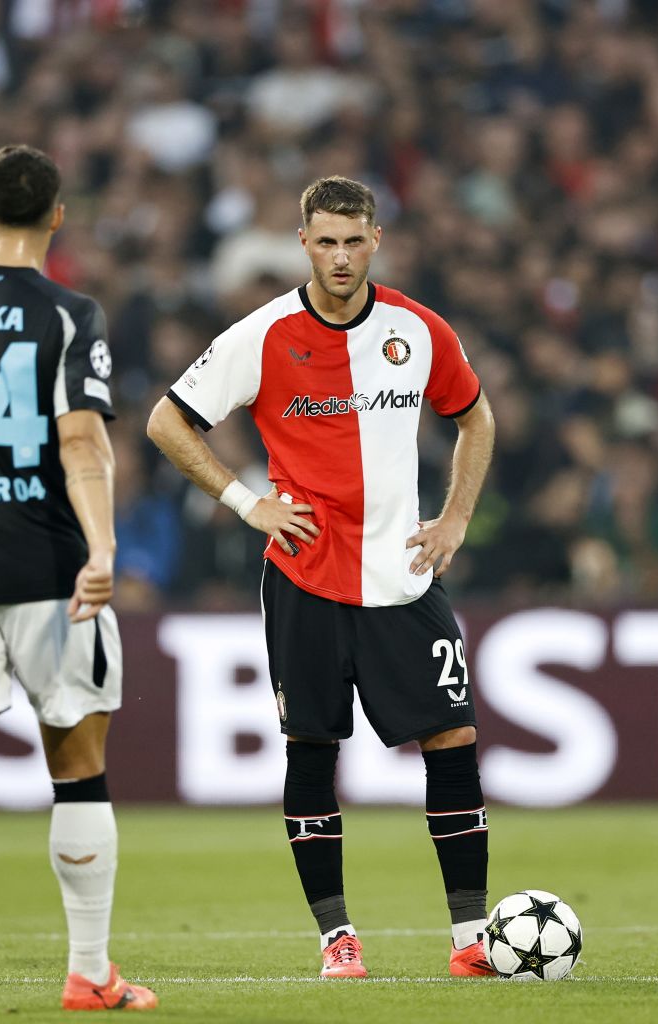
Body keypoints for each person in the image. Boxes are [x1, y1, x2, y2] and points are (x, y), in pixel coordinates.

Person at [148, 175, 496, 979]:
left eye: (354, 240)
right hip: (303, 578)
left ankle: (470, 939)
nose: (340, 257)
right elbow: (169, 420)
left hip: (403, 577)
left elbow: (474, 415)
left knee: (453, 740)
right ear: (303, 243)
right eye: (326, 241)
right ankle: (336, 938)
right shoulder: (265, 333)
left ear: (377, 241)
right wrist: (245, 501)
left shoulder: (419, 329)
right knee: (311, 750)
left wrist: (456, 518)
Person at [0, 145, 157, 1011]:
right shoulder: (69, 313)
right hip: (48, 570)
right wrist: (103, 550)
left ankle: (92, 973)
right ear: (58, 218)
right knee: (77, 767)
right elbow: (80, 441)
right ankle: (90, 972)